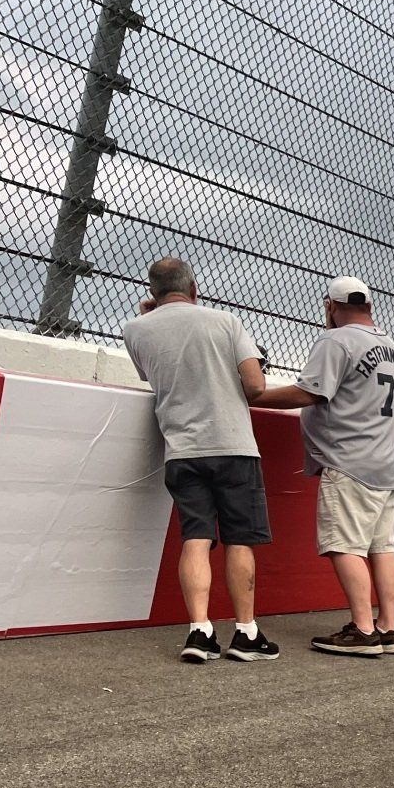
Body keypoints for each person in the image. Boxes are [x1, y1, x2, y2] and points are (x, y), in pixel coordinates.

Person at [119, 256, 278, 664]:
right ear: (194, 288)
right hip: (233, 446)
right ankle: (245, 634)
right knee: (239, 539)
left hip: (182, 451)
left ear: (152, 293)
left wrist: (149, 315)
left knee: (196, 537)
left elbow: (149, 372)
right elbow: (255, 386)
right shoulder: (225, 322)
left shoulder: (134, 329)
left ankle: (199, 631)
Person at [250, 277, 394, 658]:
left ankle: (364, 631)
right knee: (380, 547)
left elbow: (309, 392)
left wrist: (253, 395)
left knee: (345, 546)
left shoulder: (335, 340)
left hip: (351, 461)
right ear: (369, 307)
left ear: (330, 306)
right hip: (387, 460)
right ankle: (387, 628)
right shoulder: (387, 343)